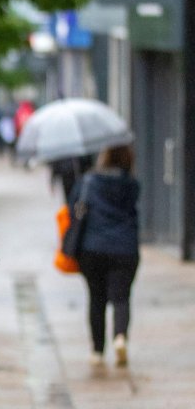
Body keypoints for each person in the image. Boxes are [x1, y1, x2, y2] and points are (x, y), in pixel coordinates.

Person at [70, 144, 140, 367]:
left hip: (93, 248)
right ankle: (120, 336)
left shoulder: (89, 181)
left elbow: (73, 206)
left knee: (96, 299)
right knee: (121, 297)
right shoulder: (132, 184)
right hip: (124, 248)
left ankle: (97, 351)